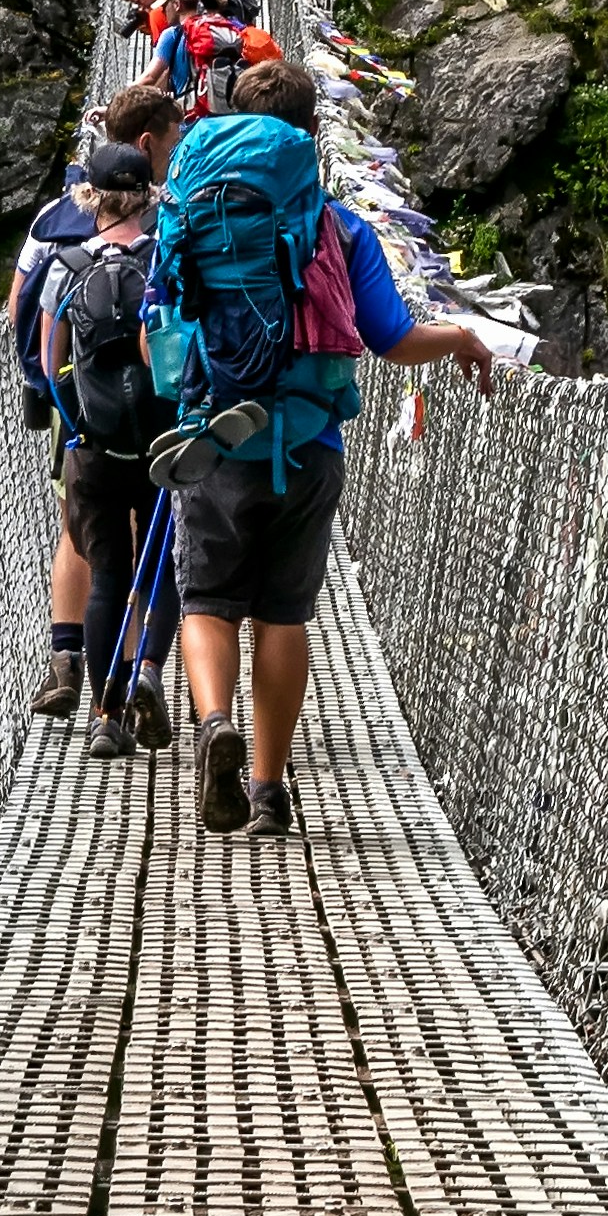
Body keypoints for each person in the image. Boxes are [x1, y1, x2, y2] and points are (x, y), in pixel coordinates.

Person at [164, 59, 492, 842]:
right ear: (313, 135)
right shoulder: (339, 226)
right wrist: (461, 337)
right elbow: (391, 337)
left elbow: (162, 332)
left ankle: (214, 724)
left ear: (228, 118)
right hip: (310, 443)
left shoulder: (190, 209)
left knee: (206, 602)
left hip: (214, 439)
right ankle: (271, 791)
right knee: (284, 615)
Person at [10, 82, 185, 715]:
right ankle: (145, 670)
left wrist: (51, 394)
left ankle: (71, 665)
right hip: (161, 428)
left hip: (83, 419)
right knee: (154, 543)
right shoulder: (168, 237)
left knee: (85, 538)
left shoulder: (53, 226)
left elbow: (22, 313)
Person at [39, 139, 180, 760]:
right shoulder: (165, 261)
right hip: (165, 445)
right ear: (148, 195)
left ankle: (104, 712)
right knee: (162, 571)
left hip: (93, 449)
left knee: (107, 579)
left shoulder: (66, 265)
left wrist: (71, 423)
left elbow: (49, 364)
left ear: (88, 196)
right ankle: (149, 670)